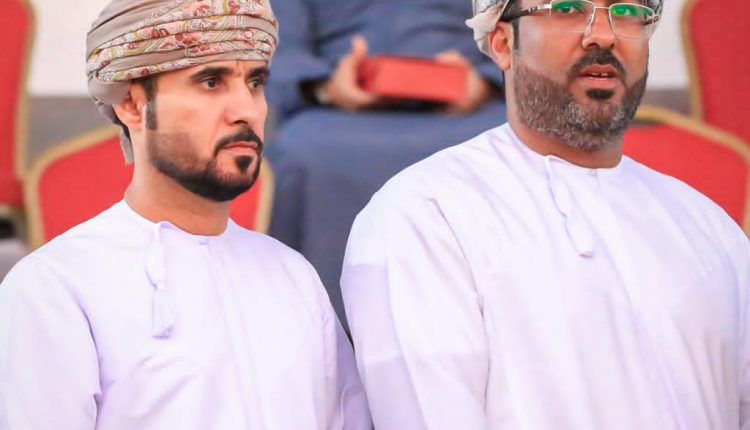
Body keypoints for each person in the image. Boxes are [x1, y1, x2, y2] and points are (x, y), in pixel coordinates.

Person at [341, 0, 750, 428]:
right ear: (503, 43)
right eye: (568, 8)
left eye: (626, 10)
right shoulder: (427, 215)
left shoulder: (707, 227)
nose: (603, 35)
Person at [0, 1, 371, 429]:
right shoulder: (56, 288)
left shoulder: (292, 276)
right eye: (211, 82)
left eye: (255, 83)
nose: (247, 110)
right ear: (132, 105)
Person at [265, 0, 508, 321]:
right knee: (301, 154)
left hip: (475, 102)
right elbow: (277, 41)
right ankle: (319, 328)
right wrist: (326, 86)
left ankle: (500, 320)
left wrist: (489, 80)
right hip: (336, 110)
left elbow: (522, 23)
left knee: (513, 149)